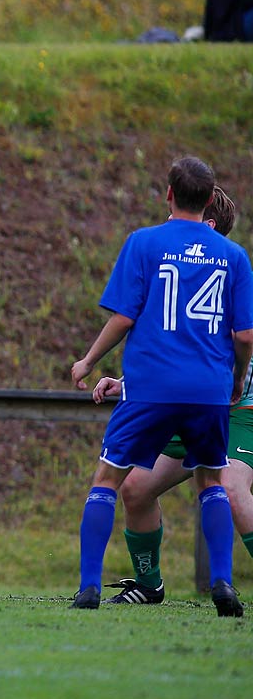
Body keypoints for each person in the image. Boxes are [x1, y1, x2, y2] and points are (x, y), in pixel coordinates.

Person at [69, 157, 253, 615]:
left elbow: (128, 316)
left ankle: (88, 588)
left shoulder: (146, 243)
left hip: (164, 392)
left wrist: (89, 360)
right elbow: (235, 336)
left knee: (109, 479)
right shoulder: (233, 258)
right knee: (199, 485)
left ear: (167, 193)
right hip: (209, 393)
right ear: (209, 200)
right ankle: (214, 585)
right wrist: (232, 379)